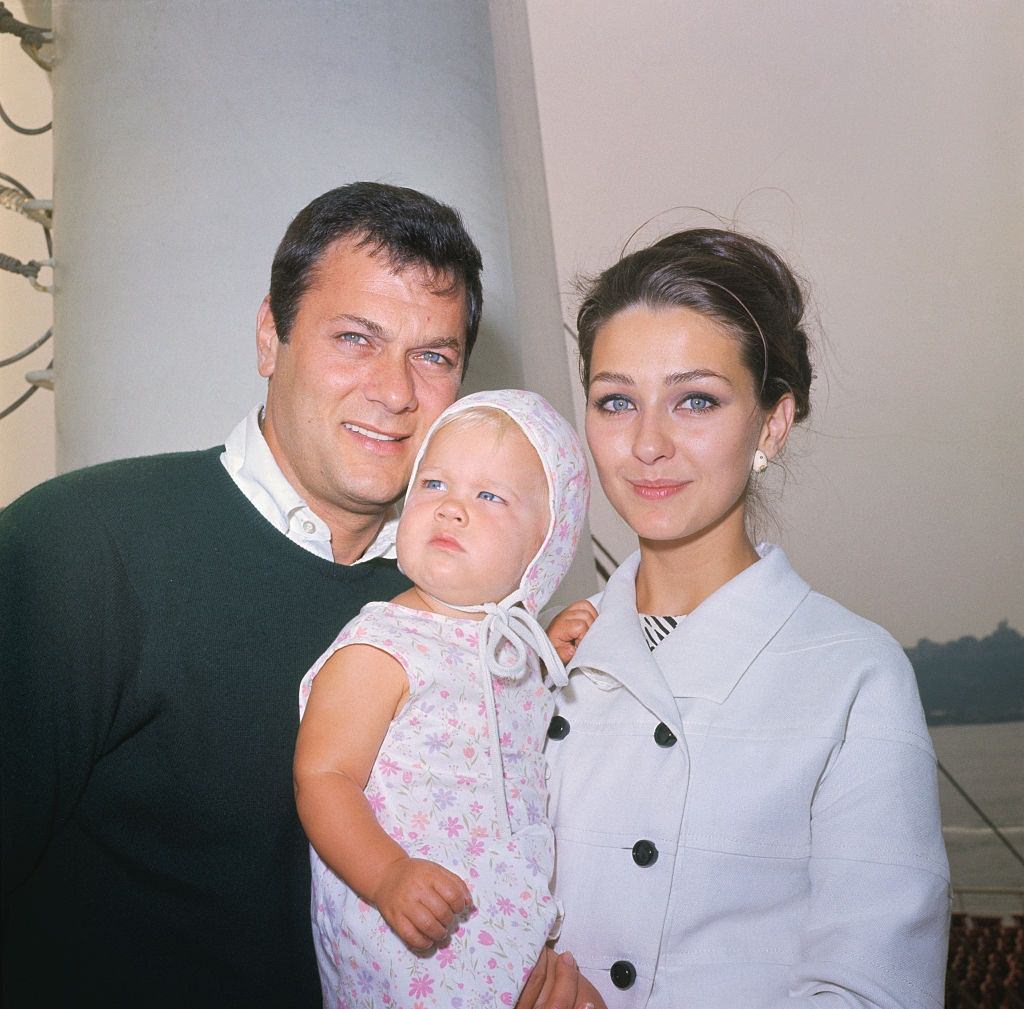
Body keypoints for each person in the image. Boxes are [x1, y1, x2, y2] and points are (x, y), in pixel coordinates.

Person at [0, 182, 483, 1008]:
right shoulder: (80, 548)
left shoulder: (460, 609)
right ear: (271, 336)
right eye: (355, 338)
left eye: (432, 355)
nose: (396, 391)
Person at [542, 228, 951, 1007]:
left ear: (771, 423)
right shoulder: (540, 655)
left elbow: (876, 994)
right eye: (616, 400)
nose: (648, 443)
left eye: (696, 399)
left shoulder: (852, 672)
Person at [294, 389, 593, 1008]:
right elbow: (322, 776)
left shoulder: (512, 653)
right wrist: (386, 874)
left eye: (490, 497)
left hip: (507, 938)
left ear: (545, 548)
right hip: (405, 940)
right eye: (433, 484)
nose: (452, 509)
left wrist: (546, 651)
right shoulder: (381, 646)